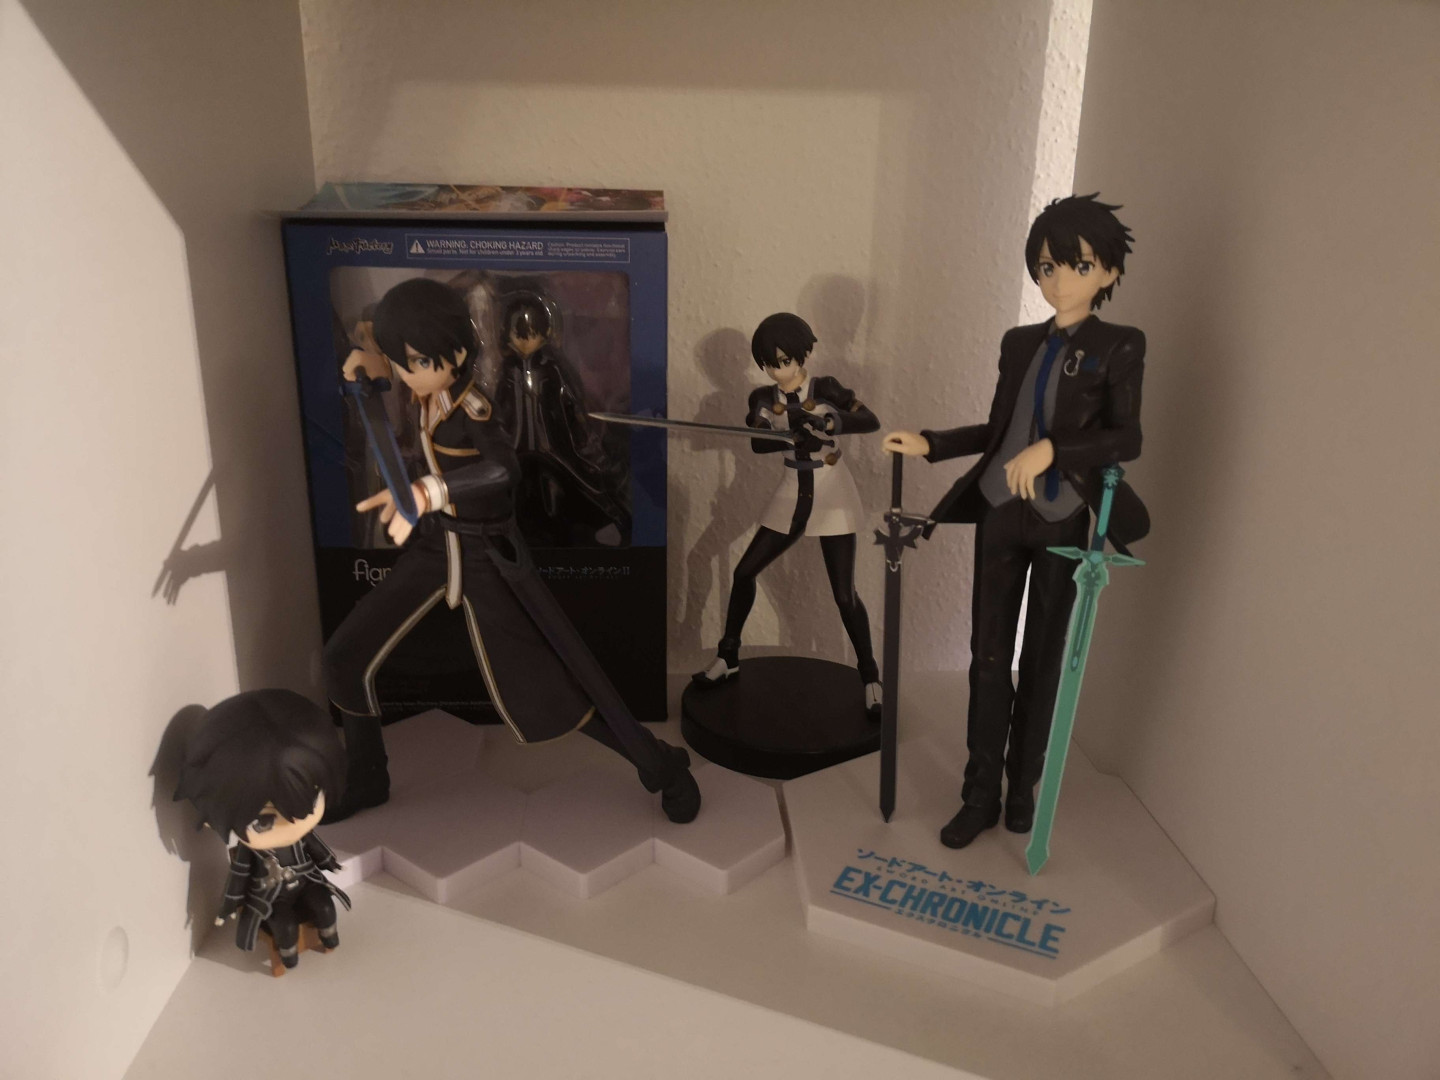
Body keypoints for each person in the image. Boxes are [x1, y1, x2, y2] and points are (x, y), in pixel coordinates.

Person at [324, 277, 699, 825]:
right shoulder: (426, 389)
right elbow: (401, 383)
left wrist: (430, 491)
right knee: (345, 654)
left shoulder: (474, 407)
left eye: (417, 362)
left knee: (551, 685)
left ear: (456, 354)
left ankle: (659, 764)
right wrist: (377, 367)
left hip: (485, 557)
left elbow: (504, 469)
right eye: (404, 363)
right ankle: (367, 776)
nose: (409, 375)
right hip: (436, 548)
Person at [883, 194, 1149, 849]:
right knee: (987, 658)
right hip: (1002, 512)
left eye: (1078, 266)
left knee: (1042, 660)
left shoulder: (1119, 344)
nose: (1059, 281)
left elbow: (1127, 437)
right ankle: (979, 794)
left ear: (1109, 272)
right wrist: (933, 442)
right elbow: (999, 429)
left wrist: (1056, 448)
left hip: (1064, 518)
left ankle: (1022, 788)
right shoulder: (1020, 342)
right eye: (1047, 267)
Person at [692, 312, 883, 718]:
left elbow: (869, 420)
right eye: (770, 364)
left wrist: (828, 420)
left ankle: (870, 676)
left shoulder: (826, 387)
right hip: (792, 489)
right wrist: (782, 434)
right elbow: (757, 441)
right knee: (745, 572)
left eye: (785, 360)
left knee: (843, 594)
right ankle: (728, 657)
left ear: (802, 354)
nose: (778, 370)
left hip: (831, 490)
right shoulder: (762, 397)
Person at [173, 689, 350, 969]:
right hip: (271, 897)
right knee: (285, 927)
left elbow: (314, 847)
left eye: (310, 802)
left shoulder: (300, 835)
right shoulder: (250, 852)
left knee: (326, 907)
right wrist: (228, 907)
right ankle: (288, 959)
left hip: (306, 881)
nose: (292, 824)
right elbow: (238, 878)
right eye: (264, 821)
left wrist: (329, 862)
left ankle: (330, 939)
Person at [491, 290, 631, 546]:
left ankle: (606, 520)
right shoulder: (509, 370)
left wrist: (583, 440)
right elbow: (500, 406)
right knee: (512, 491)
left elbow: (571, 405)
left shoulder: (552, 368)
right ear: (507, 335)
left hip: (553, 445)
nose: (525, 342)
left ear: (545, 333)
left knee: (573, 481)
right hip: (516, 446)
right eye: (519, 335)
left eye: (532, 334)